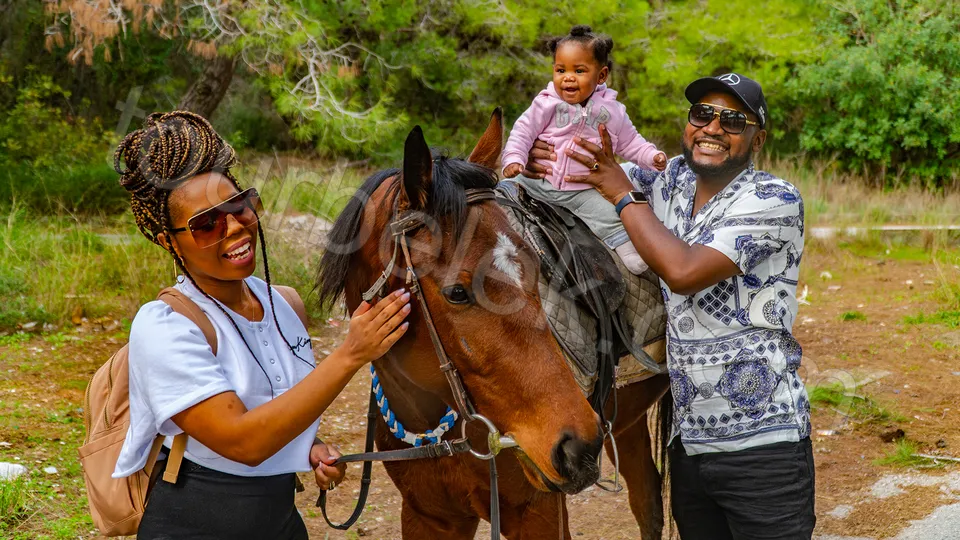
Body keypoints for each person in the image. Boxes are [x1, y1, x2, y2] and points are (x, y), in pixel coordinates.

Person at [523, 74, 814, 539]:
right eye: (703, 114)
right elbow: (587, 174)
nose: (713, 128)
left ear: (758, 139)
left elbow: (682, 270)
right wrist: (544, 157)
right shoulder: (669, 181)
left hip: (763, 446)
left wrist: (621, 193)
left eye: (732, 121)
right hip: (690, 444)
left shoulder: (773, 199)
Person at [110, 111, 410, 539]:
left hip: (280, 521)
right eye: (206, 224)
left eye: (239, 206)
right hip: (194, 524)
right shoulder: (166, 327)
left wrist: (307, 448)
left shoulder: (284, 304)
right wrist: (350, 355)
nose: (235, 227)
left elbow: (273, 408)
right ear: (169, 241)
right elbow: (243, 442)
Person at [501, 24, 666, 275]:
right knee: (502, 192)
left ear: (601, 76)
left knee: (612, 217)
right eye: (561, 70)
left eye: (579, 71)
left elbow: (631, 141)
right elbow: (523, 132)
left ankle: (629, 254)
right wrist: (514, 158)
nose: (568, 77)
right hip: (539, 179)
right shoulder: (546, 103)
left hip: (582, 190)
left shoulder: (612, 112)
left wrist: (651, 156)